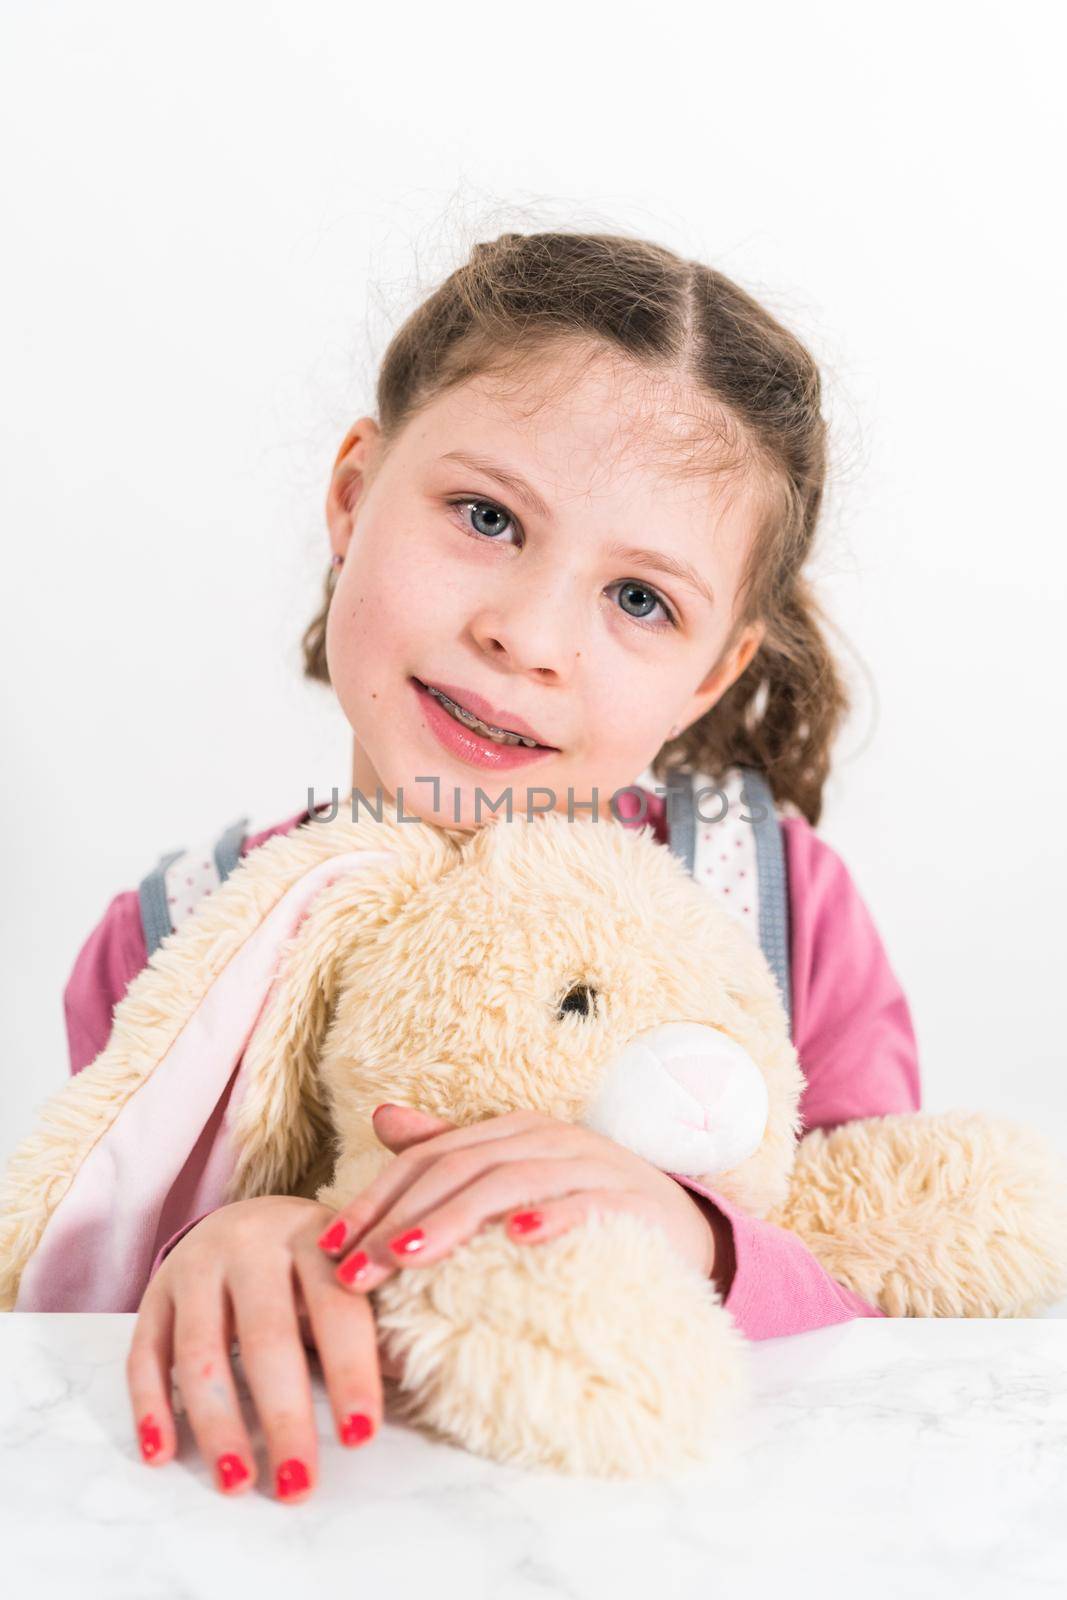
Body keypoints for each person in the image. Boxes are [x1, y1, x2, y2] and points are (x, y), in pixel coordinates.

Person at [63, 231, 921, 1502]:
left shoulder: (781, 909)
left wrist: (695, 1232)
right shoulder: (169, 940)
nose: (523, 635)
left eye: (639, 601)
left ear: (715, 672)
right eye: (486, 517)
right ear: (353, 493)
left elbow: (911, 1302)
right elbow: (59, 1313)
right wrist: (217, 1240)